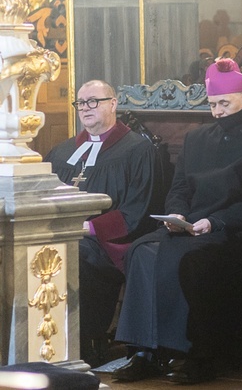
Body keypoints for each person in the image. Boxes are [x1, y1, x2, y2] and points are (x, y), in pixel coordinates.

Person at [112, 59, 242, 384]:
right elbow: (180, 188)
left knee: (194, 260)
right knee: (142, 251)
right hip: (190, 226)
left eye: (224, 103)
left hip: (237, 232)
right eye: (212, 104)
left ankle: (198, 355)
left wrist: (215, 222)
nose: (218, 111)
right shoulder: (196, 139)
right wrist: (178, 214)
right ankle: (143, 352)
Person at [44, 80, 156, 366]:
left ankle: (85, 343)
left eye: (93, 101)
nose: (85, 108)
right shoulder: (62, 151)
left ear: (113, 104)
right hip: (61, 233)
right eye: (81, 103)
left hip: (108, 242)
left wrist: (88, 228)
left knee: (73, 254)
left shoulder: (138, 151)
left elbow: (137, 210)